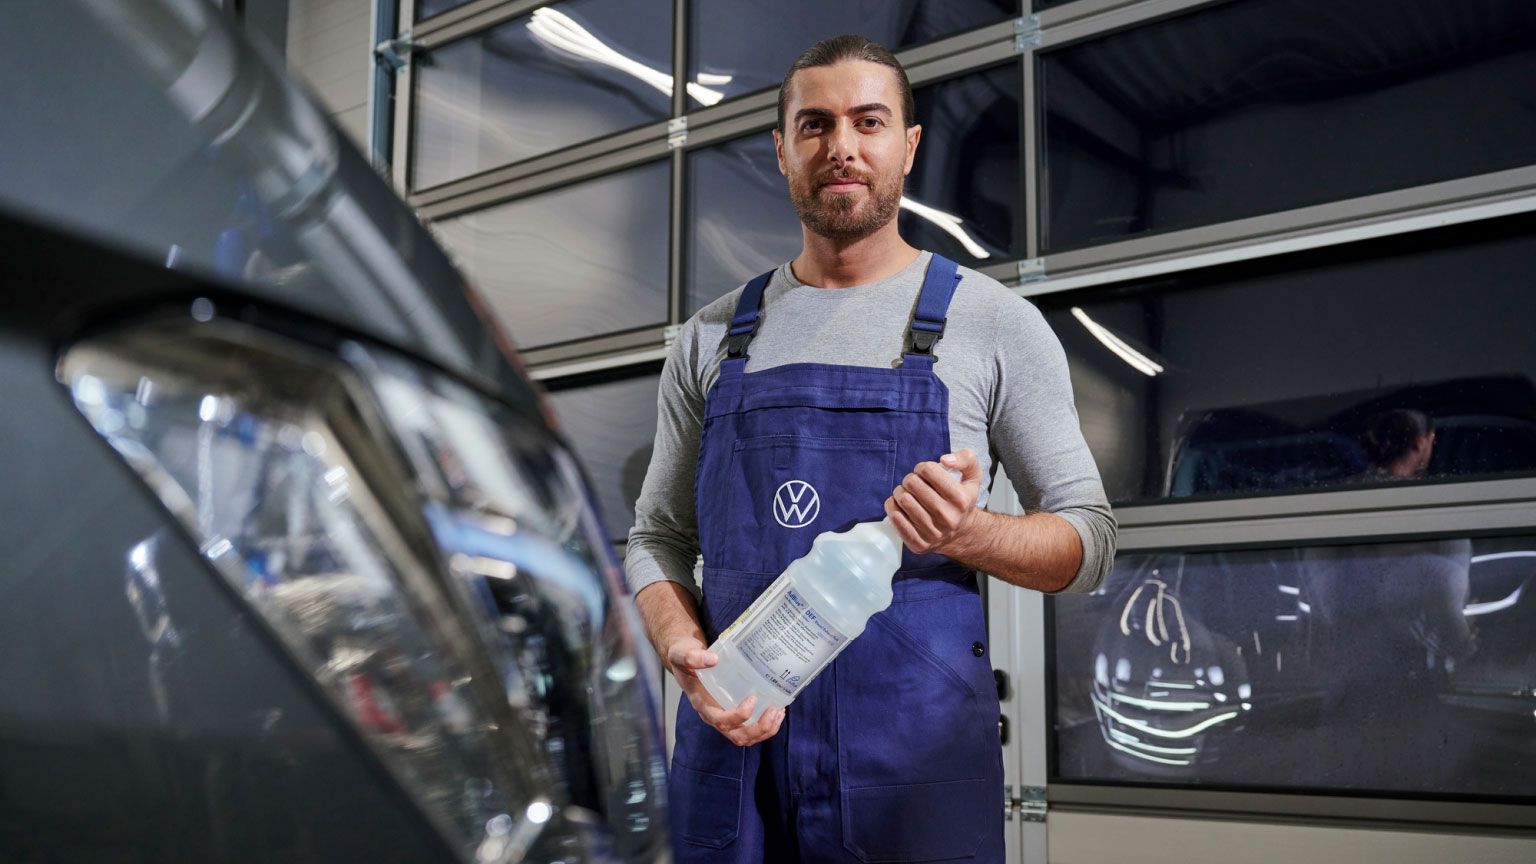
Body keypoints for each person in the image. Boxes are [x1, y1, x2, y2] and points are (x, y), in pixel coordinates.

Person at [625, 35, 1117, 862]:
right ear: (782, 149)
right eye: (814, 125)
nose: (841, 147)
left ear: (908, 146)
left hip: (913, 781)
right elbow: (657, 538)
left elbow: (1090, 541)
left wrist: (971, 533)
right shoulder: (710, 340)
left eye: (869, 121)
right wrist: (680, 650)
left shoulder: (993, 325)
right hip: (734, 756)